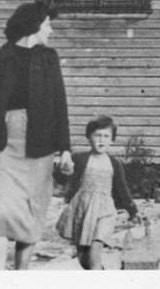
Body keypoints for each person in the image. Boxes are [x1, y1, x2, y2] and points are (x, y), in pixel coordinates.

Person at [0, 0, 73, 270]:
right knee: (1, 209)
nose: (50, 30)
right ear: (34, 25)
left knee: (31, 212)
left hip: (41, 145)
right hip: (4, 145)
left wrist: (65, 148)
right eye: (48, 24)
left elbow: (59, 104)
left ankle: (21, 275)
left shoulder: (49, 58)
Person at [57, 116, 139, 270]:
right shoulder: (79, 159)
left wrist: (133, 210)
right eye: (97, 135)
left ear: (112, 140)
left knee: (96, 248)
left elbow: (122, 189)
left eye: (106, 136)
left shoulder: (115, 164)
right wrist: (63, 169)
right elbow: (62, 178)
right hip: (83, 210)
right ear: (89, 137)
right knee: (83, 258)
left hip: (105, 211)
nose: (101, 140)